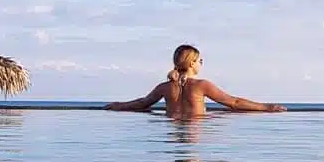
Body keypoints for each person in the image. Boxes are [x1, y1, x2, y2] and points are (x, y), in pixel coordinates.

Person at [103, 44, 286, 117]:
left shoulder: (164, 88)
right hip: (195, 133)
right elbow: (234, 102)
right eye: (200, 61)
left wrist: (118, 105)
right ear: (192, 63)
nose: (201, 63)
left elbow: (142, 103)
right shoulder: (201, 85)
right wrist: (266, 107)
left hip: (172, 138)